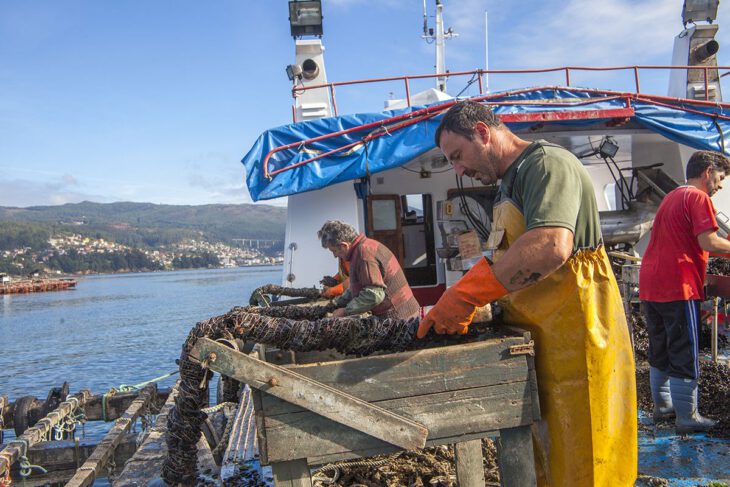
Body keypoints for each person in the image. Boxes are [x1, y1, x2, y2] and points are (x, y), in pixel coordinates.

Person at [417, 101, 637, 486]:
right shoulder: (507, 184)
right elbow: (513, 267)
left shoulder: (547, 165)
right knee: (547, 463)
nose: (459, 169)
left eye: (457, 156)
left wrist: (467, 295)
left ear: (483, 134)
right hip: (539, 346)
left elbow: (550, 246)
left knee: (587, 460)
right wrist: (487, 309)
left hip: (578, 343)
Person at [639, 150, 730, 434]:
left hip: (650, 284)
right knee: (683, 349)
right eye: (720, 177)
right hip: (678, 284)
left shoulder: (672, 196)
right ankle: (687, 417)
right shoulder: (699, 197)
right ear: (707, 173)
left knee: (661, 348)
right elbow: (709, 241)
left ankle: (663, 408)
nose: (720, 185)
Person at [317, 220, 420, 320]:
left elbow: (373, 295)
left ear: (344, 245)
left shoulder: (364, 254)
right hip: (402, 313)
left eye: (334, 251)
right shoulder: (364, 247)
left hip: (401, 318)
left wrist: (346, 311)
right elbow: (356, 286)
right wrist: (337, 303)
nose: (335, 256)